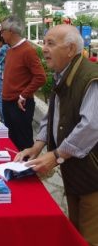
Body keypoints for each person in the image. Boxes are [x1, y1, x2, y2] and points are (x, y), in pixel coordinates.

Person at [15, 24, 98, 246]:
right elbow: (52, 115)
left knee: (89, 236)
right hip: (76, 171)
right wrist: (38, 146)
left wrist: (57, 155)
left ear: (70, 49)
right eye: (44, 42)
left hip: (93, 173)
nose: (44, 49)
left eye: (51, 43)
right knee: (75, 229)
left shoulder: (90, 78)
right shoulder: (63, 73)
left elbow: (90, 127)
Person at [1, 16, 46, 150]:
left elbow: (40, 77)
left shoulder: (28, 50)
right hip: (7, 101)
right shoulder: (10, 50)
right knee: (12, 139)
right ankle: (15, 168)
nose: (0, 34)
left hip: (20, 104)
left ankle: (28, 169)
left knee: (23, 141)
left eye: (2, 30)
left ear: (11, 31)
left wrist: (24, 95)